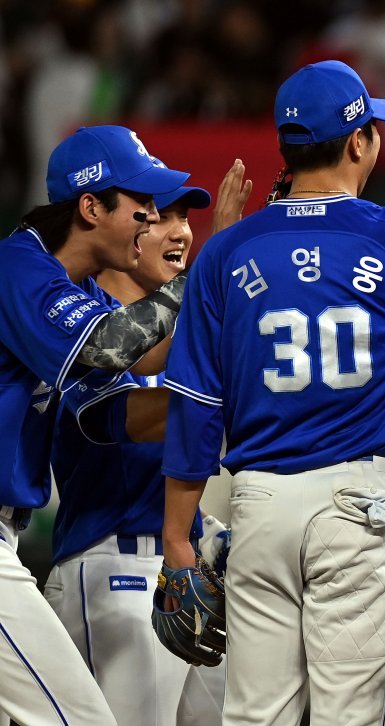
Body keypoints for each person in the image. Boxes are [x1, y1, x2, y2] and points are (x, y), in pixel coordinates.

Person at [158, 42, 385, 725]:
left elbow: (195, 405)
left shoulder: (226, 252)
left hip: (260, 503)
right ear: (360, 143)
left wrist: (178, 537)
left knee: (255, 717)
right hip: (358, 504)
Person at [43, 163, 251, 726]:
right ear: (129, 232)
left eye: (186, 217)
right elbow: (127, 420)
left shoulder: (182, 337)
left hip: (186, 569)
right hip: (114, 565)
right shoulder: (80, 327)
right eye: (161, 217)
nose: (180, 230)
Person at [0, 124, 191, 725]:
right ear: (90, 207)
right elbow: (110, 347)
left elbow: (145, 355)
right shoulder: (17, 264)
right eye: (142, 204)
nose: (152, 219)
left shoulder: (69, 285)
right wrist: (206, 277)